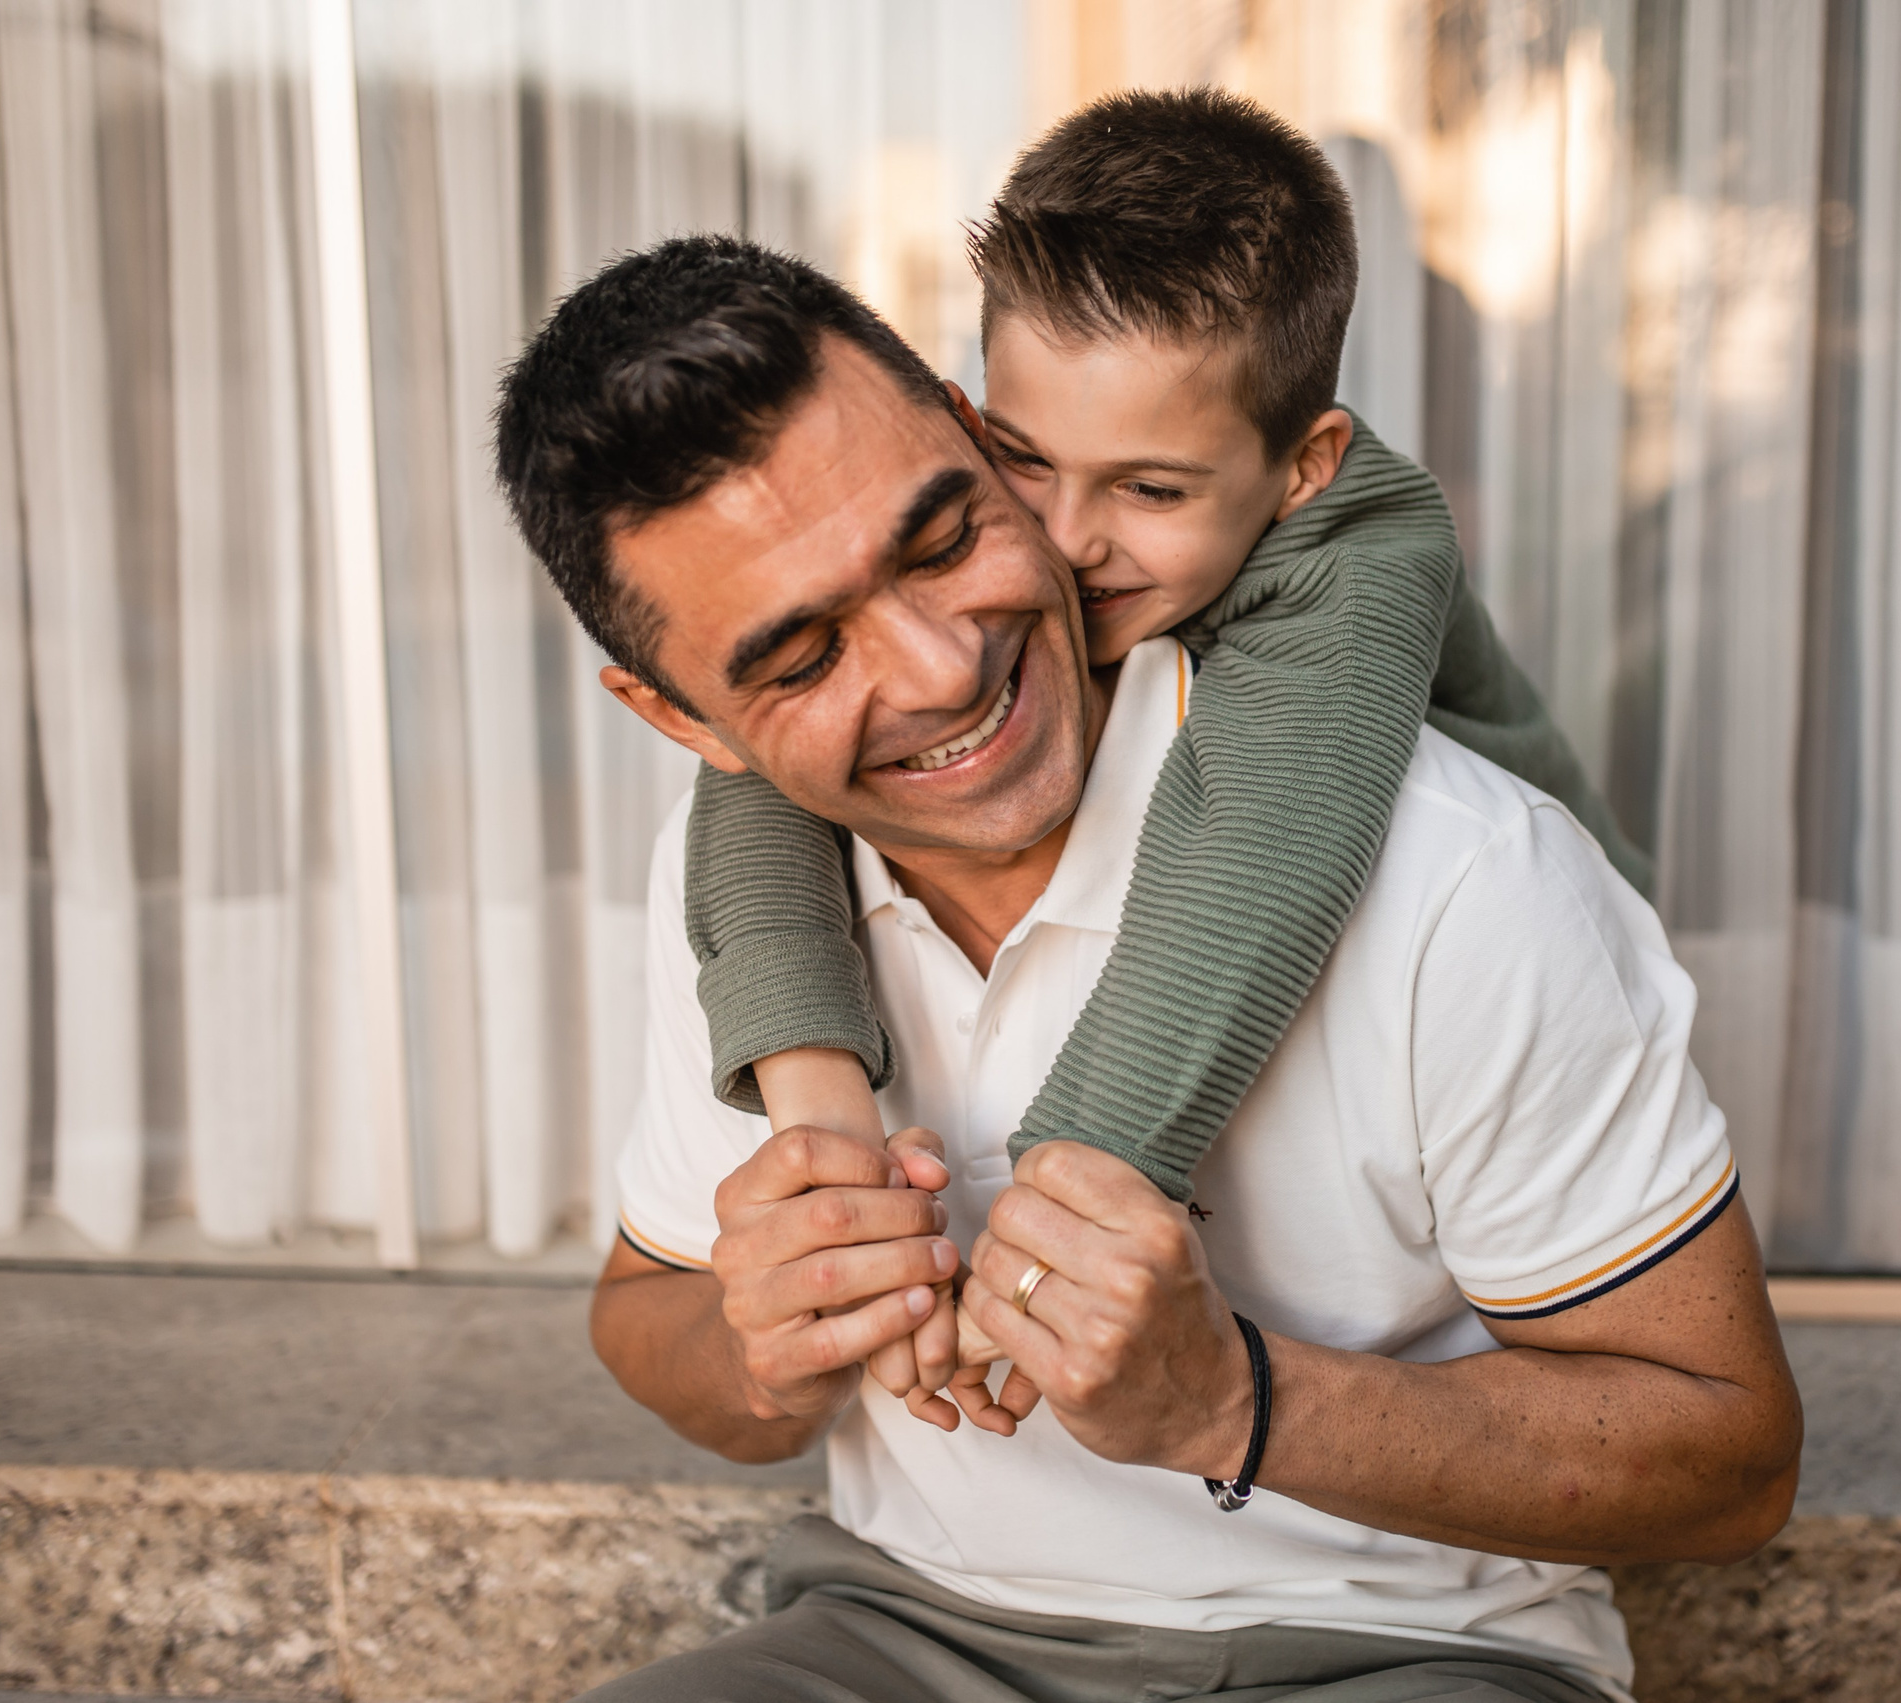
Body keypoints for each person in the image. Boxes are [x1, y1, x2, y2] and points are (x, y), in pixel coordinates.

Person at [494, 232, 1801, 1700]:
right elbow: (645, 1309)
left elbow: (1727, 1459)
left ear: (981, 431)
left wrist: (1237, 1397)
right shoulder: (729, 873)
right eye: (800, 657)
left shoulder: (1463, 869)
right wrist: (762, 1346)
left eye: (939, 541)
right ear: (683, 717)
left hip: (1392, 1654)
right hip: (898, 1631)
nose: (937, 668)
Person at [680, 93, 1658, 1292]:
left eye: (1150, 491)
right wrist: (817, 1095)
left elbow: (1258, 862)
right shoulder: (986, 479)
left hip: (1550, 996)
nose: (1066, 541)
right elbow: (765, 751)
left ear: (1305, 468)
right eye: (1025, 458)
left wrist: (1056, 1228)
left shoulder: (1366, 561)